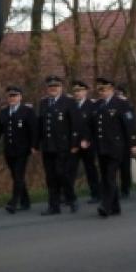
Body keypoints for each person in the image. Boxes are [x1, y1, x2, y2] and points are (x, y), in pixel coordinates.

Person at [37, 75, 89, 215]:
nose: (53, 89)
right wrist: (36, 144)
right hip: (48, 146)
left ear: (61, 87)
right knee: (50, 177)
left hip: (64, 146)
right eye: (50, 87)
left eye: (56, 86)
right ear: (47, 88)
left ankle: (71, 198)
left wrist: (75, 143)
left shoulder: (69, 102)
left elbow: (76, 124)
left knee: (62, 174)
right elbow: (40, 125)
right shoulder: (44, 103)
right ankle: (54, 206)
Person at [92, 77, 136, 217]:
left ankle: (105, 206)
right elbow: (93, 126)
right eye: (99, 89)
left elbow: (130, 125)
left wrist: (133, 143)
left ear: (111, 89)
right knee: (106, 176)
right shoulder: (97, 105)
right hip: (102, 147)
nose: (101, 92)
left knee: (109, 177)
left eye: (104, 89)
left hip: (116, 147)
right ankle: (116, 206)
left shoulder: (121, 103)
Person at [0, 85, 38, 214]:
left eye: (15, 96)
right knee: (16, 176)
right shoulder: (4, 112)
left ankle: (14, 202)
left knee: (18, 175)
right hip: (9, 150)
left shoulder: (27, 111)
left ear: (20, 97)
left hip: (23, 150)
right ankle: (25, 200)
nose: (12, 99)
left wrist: (34, 146)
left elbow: (33, 130)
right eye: (10, 96)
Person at [70, 80, 102, 203]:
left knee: (90, 170)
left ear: (86, 92)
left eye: (80, 91)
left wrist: (88, 140)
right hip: (73, 144)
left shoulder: (92, 106)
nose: (77, 93)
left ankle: (96, 194)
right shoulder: (71, 105)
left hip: (88, 145)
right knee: (70, 170)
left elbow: (94, 127)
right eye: (75, 91)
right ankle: (69, 195)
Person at [116, 85, 134, 198]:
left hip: (125, 142)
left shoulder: (127, 106)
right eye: (117, 95)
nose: (119, 97)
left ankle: (125, 188)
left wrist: (132, 142)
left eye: (120, 94)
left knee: (125, 167)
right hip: (114, 142)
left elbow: (131, 125)